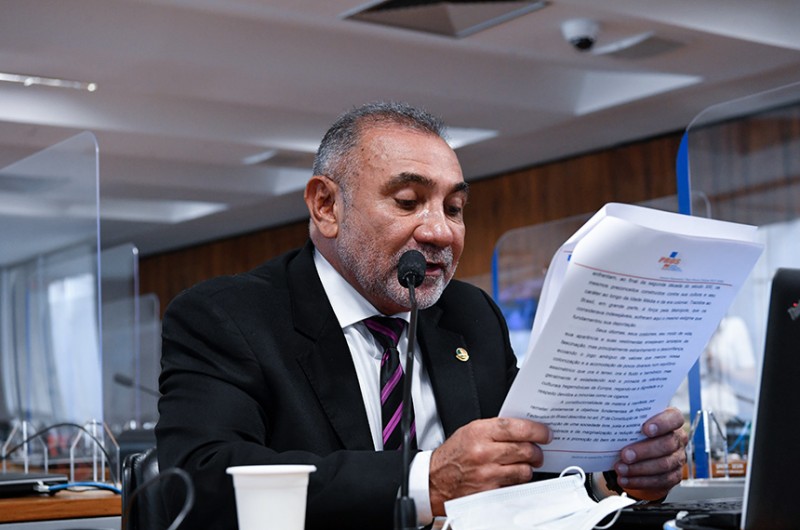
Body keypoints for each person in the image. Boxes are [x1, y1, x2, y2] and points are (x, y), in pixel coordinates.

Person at [155, 101, 687, 529]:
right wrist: (423, 482)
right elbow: (199, 483)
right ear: (326, 206)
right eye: (408, 202)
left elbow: (519, 470)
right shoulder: (227, 316)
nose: (440, 232)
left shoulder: (470, 315)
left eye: (454, 209)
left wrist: (615, 475)